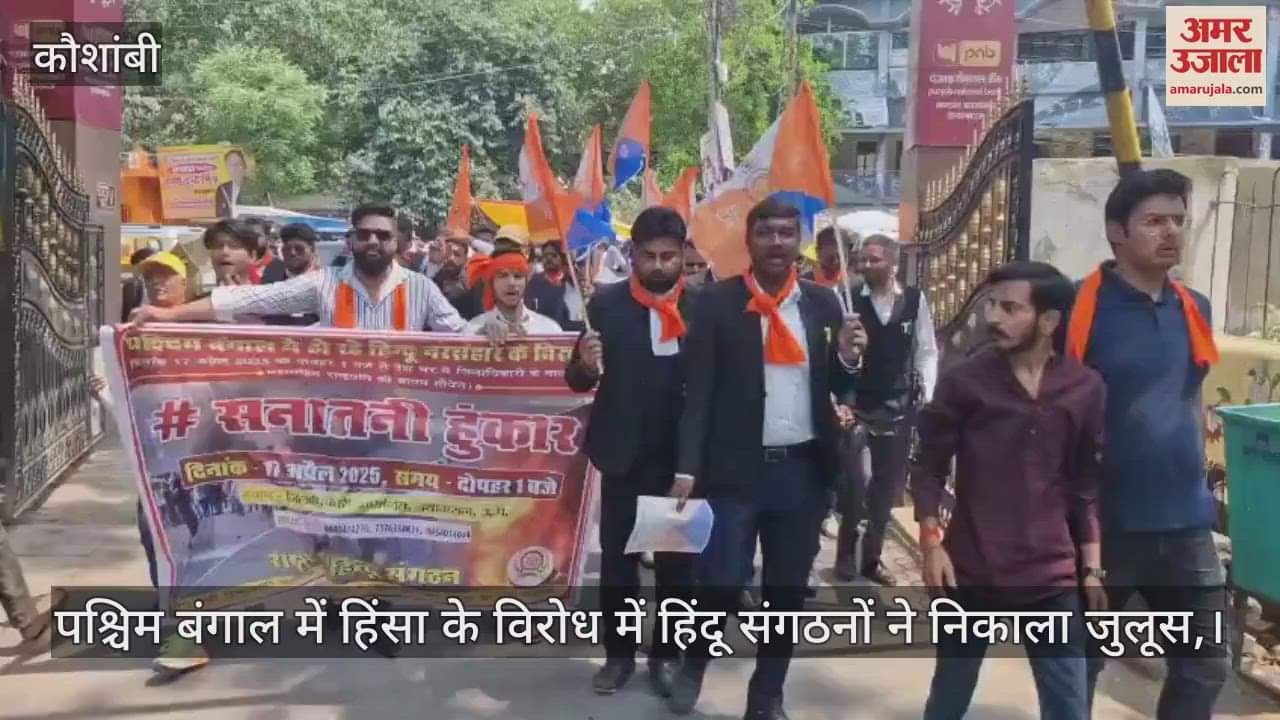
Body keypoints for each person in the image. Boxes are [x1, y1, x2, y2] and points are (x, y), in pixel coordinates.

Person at [669, 197, 867, 720]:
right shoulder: (716, 304)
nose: (776, 242)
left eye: (786, 233)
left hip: (802, 473)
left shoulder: (825, 306)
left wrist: (848, 357)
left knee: (785, 595)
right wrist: (687, 469)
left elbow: (840, 385)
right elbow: (698, 395)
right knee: (719, 582)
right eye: (766, 233)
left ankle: (767, 695)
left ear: (798, 240)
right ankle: (694, 664)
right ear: (749, 242)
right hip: (733, 473)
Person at [913, 261, 1107, 720]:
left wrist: (1093, 568)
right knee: (948, 700)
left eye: (1009, 307)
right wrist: (931, 545)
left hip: (1051, 574)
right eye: (991, 305)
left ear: (1050, 321)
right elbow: (929, 468)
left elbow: (1085, 484)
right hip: (970, 567)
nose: (994, 318)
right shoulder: (965, 380)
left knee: (1069, 707)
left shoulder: (1084, 387)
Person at [1074, 169, 1228, 720]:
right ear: (1117, 231)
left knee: (1206, 662)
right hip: (1104, 526)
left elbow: (1188, 397)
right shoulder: (1078, 308)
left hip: (1185, 523)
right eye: (1154, 221)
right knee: (1079, 663)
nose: (1171, 233)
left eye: (1178, 221)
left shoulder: (1195, 307)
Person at [564, 207, 699, 699]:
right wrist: (583, 364)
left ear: (684, 255)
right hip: (623, 457)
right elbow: (578, 379)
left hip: (680, 463)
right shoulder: (605, 305)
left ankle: (667, 658)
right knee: (620, 568)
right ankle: (618, 657)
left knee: (674, 569)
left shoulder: (703, 308)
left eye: (669, 256)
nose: (659, 266)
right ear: (632, 256)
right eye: (649, 256)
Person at [130, 205, 467, 333]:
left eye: (383, 235)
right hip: (338, 417)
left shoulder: (422, 288)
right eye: (364, 235)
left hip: (403, 417)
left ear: (398, 243)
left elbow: (462, 335)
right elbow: (247, 299)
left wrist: (501, 330)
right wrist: (167, 316)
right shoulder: (324, 284)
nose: (374, 242)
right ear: (350, 241)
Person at [838, 233, 938, 585]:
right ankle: (845, 554)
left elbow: (926, 349)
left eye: (874, 259)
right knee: (857, 482)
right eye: (863, 259)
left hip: (897, 407)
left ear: (893, 262)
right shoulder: (848, 298)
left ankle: (872, 558)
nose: (865, 265)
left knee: (885, 488)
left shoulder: (914, 301)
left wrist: (927, 388)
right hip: (857, 406)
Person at [462, 227, 563, 336]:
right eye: (502, 275)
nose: (511, 283)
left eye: (518, 276)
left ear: (526, 279)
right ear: (491, 282)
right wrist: (481, 337)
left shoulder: (549, 330)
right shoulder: (473, 329)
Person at [264, 223, 322, 326]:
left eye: (299, 249)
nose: (292, 253)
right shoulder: (271, 278)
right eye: (287, 249)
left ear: (312, 249)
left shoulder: (324, 283)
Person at [527, 241, 586, 331]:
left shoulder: (573, 282)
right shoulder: (535, 282)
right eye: (545, 256)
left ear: (562, 258)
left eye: (554, 255)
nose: (549, 259)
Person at [204, 219, 258, 286]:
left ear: (253, 256)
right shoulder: (205, 295)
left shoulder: (265, 295)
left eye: (234, 246)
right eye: (217, 246)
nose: (224, 252)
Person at [215, 149, 246, 218]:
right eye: (231, 164)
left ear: (244, 166)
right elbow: (219, 214)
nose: (235, 168)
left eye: (238, 164)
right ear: (227, 167)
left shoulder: (254, 187)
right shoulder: (222, 188)